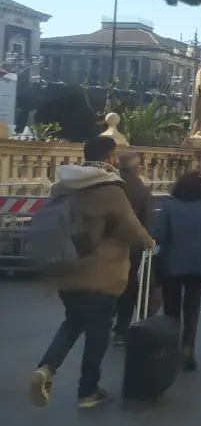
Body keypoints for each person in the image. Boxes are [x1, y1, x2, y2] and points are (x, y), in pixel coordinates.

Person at [30, 136, 155, 409]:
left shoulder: (63, 186)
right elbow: (131, 226)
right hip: (101, 273)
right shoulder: (109, 189)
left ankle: (46, 367)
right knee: (98, 332)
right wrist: (149, 241)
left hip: (67, 268)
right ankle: (88, 391)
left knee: (72, 322)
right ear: (109, 157)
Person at [153, 171, 201, 371]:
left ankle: (171, 347)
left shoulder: (169, 207)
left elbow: (158, 236)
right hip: (200, 264)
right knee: (192, 306)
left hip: (172, 263)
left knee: (171, 308)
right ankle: (188, 346)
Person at [112, 151, 155, 346]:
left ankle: (100, 322)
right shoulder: (140, 190)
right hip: (132, 246)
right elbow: (147, 221)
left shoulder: (108, 185)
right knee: (128, 287)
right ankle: (121, 329)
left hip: (105, 243)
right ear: (137, 168)